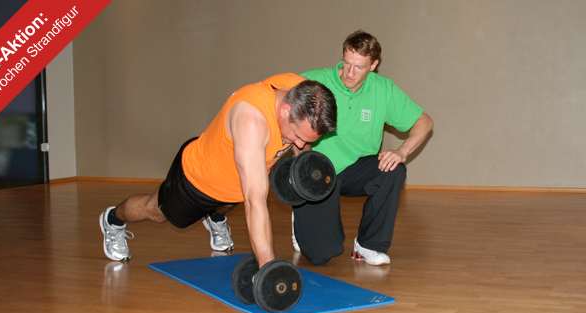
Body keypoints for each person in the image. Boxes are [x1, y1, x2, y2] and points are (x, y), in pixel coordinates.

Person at [99, 73, 337, 268]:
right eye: (296, 136)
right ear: (285, 110)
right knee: (156, 212)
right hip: (198, 179)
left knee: (228, 202)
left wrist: (304, 167)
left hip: (234, 184)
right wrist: (268, 269)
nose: (298, 144)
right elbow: (256, 202)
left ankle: (215, 217)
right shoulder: (251, 120)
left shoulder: (303, 92)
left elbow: (301, 143)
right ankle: (113, 220)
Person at [292, 30, 434, 266]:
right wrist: (301, 161)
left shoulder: (383, 89)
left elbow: (424, 122)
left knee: (394, 170)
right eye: (347, 63)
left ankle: (368, 244)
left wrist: (402, 152)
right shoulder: (312, 81)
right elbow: (278, 108)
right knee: (321, 255)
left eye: (359, 67)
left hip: (354, 169)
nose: (349, 73)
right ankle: (301, 214)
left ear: (373, 65)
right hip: (317, 172)